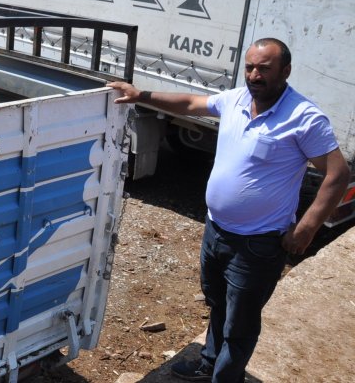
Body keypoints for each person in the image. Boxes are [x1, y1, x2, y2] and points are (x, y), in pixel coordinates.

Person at [109, 38, 350, 382]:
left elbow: (337, 174)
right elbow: (191, 102)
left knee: (241, 323)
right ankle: (209, 362)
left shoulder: (304, 117)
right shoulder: (237, 99)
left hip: (258, 244)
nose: (254, 75)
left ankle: (225, 378)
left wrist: (306, 229)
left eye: (264, 68)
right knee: (219, 304)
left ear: (286, 71)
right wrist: (141, 95)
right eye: (250, 67)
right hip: (216, 231)